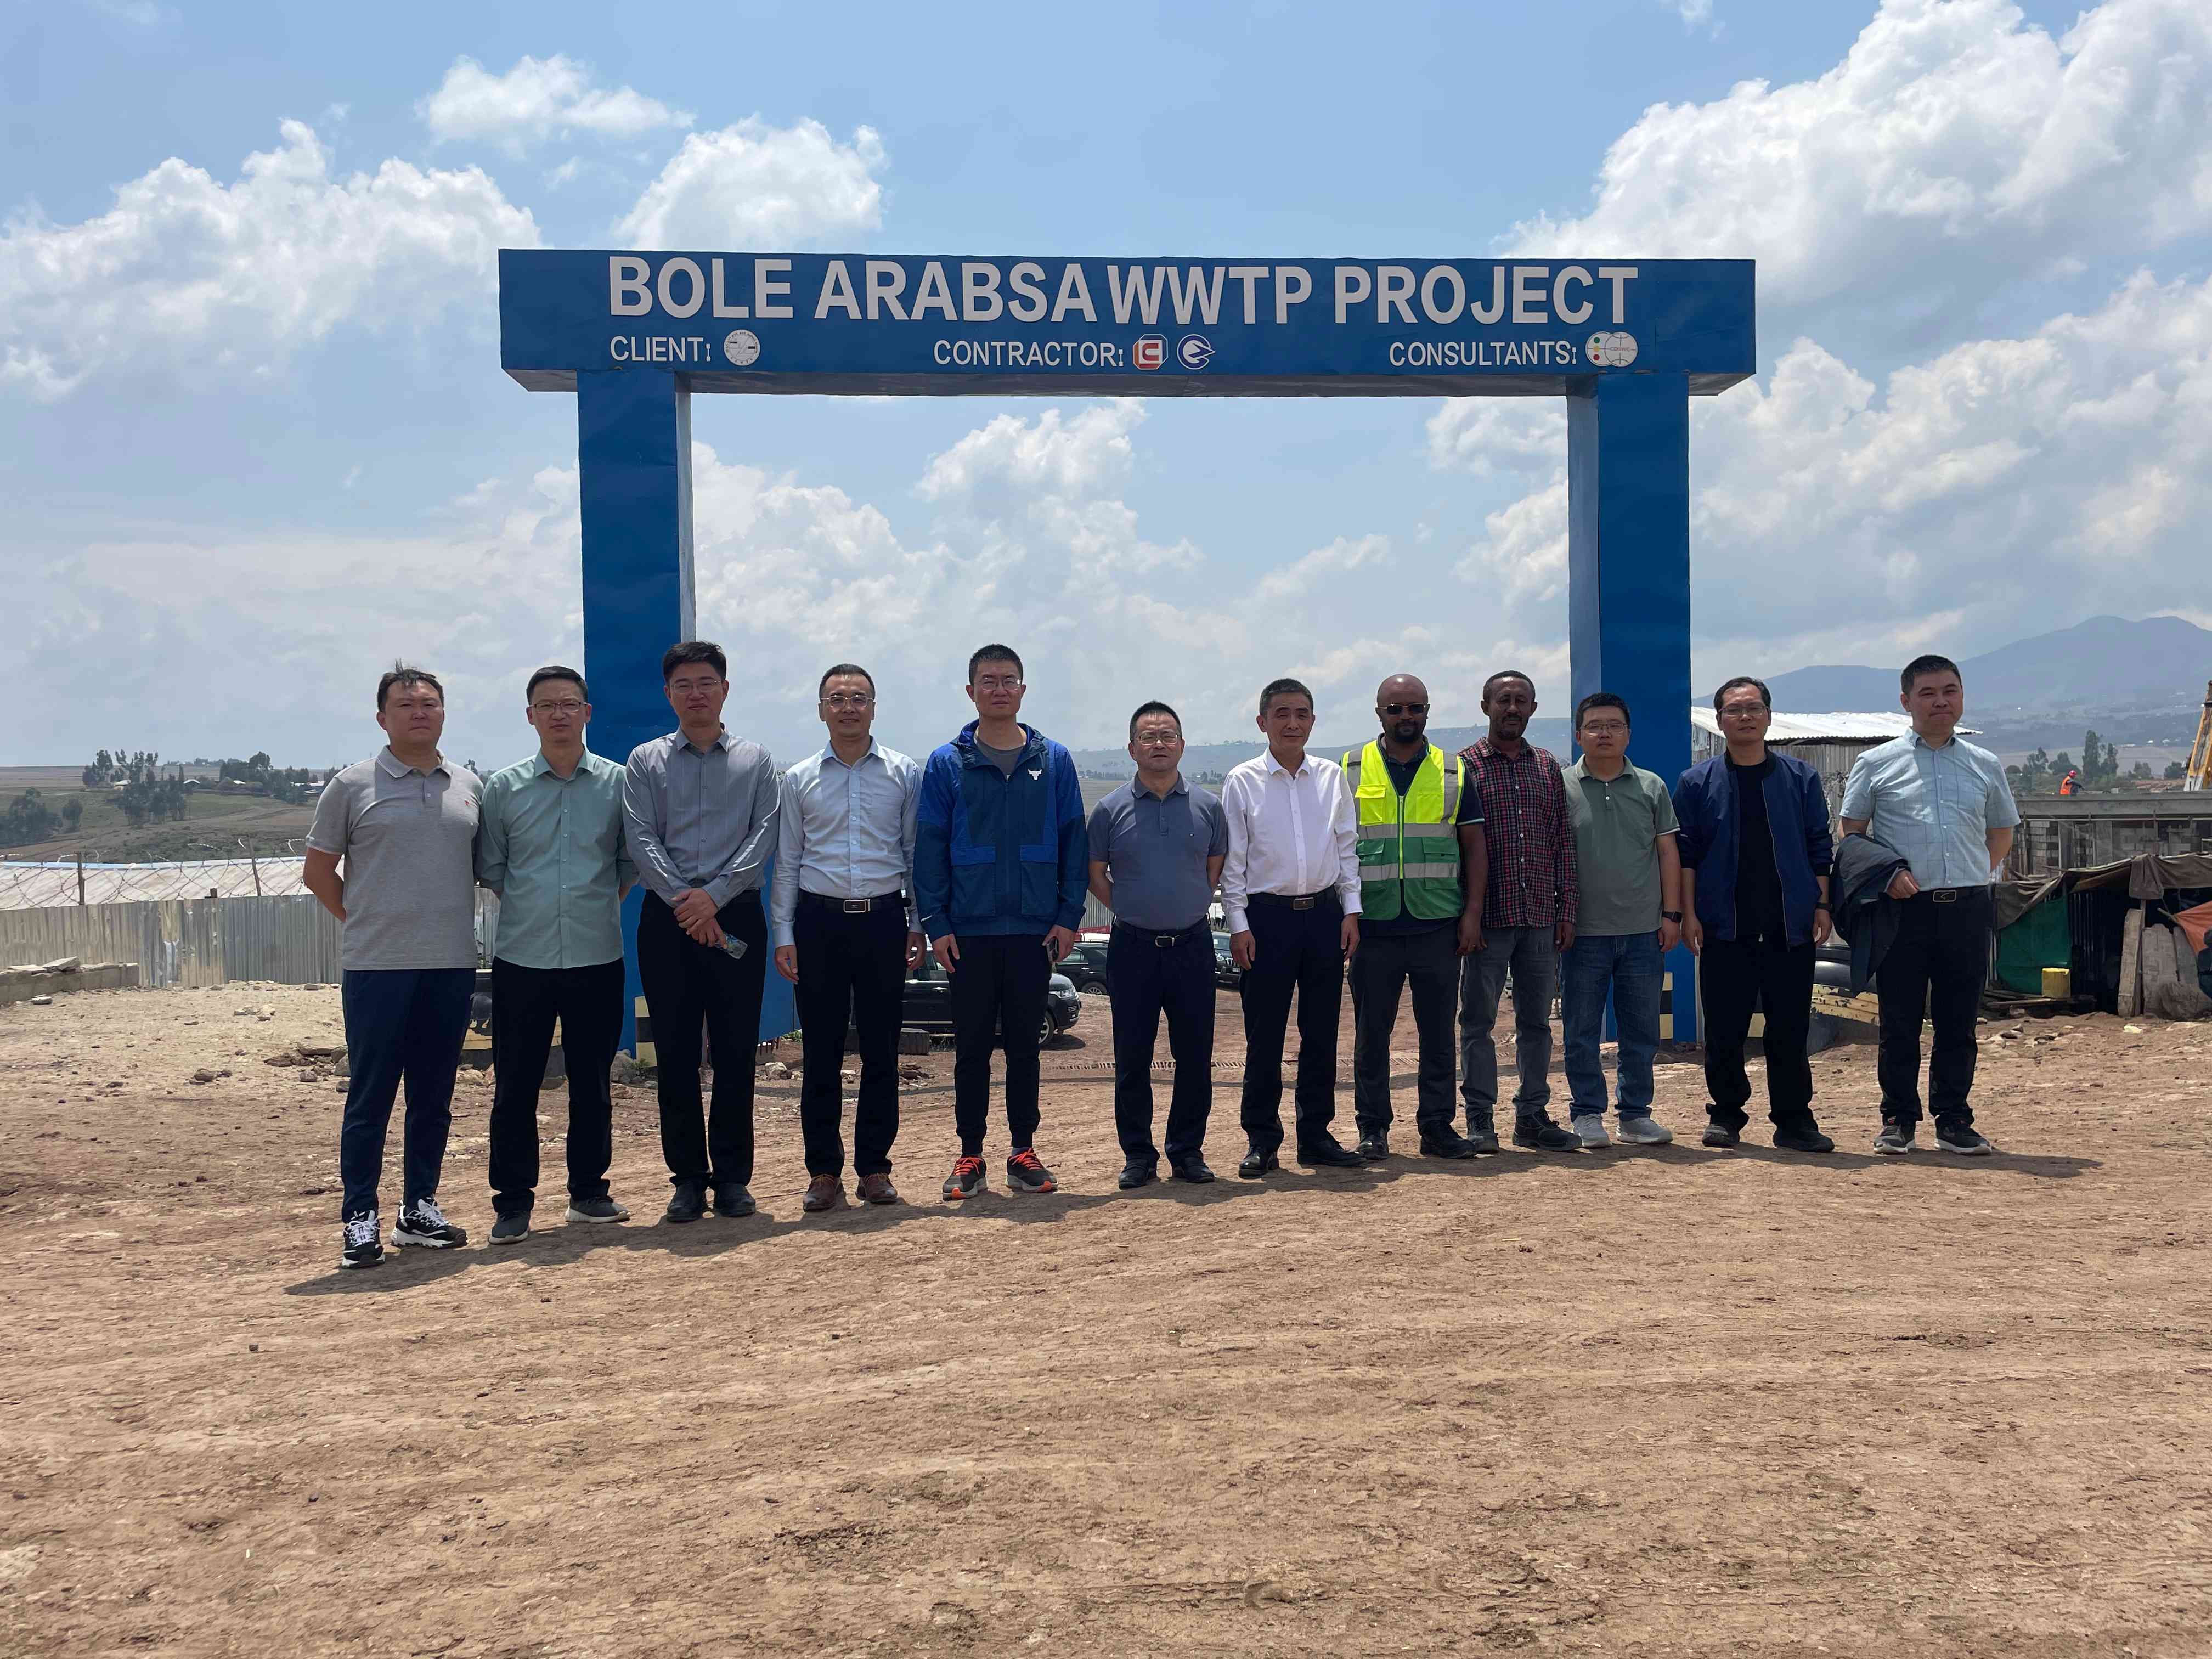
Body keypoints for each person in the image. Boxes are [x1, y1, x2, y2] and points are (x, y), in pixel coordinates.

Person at [302, 665, 480, 1269]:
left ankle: (418, 1209)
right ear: (383, 718)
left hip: (451, 964)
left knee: (434, 1094)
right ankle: (359, 1218)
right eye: (406, 704)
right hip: (378, 968)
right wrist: (364, 921)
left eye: (430, 703)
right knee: (371, 1097)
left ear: (444, 713)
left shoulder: (469, 786)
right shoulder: (352, 786)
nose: (419, 712)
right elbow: (318, 872)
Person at [913, 644, 1087, 1200]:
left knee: (1024, 1049)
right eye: (988, 681)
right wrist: (937, 922)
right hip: (969, 933)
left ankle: (1022, 1152)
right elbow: (930, 847)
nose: (999, 689)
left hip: (1035, 932)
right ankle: (970, 1155)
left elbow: (1074, 842)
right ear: (971, 692)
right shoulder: (947, 763)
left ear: (1023, 690)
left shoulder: (1053, 761)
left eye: (1009, 680)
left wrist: (1068, 916)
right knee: (969, 1050)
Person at [474, 665, 638, 1244]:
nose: (559, 714)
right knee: (515, 1085)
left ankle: (588, 1193)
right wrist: (542, 907)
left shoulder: (619, 784)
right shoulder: (504, 788)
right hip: (523, 958)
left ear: (587, 713)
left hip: (597, 955)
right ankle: (513, 1202)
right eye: (547, 705)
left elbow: (628, 863)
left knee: (592, 1082)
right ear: (530, 716)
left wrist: (587, 906)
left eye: (570, 703)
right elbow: (494, 868)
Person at [623, 641, 781, 1222]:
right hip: (667, 920)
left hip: (736, 914)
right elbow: (640, 838)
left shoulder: (757, 761)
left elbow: (764, 835)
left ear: (725, 689)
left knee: (737, 1052)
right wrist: (688, 903)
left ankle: (733, 1179)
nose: (696, 694)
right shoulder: (645, 762)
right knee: (676, 1053)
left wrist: (713, 897)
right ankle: (688, 1178)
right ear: (669, 694)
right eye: (684, 685)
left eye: (706, 682)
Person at [1839, 654, 2019, 1156]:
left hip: (1967, 909)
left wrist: (1971, 874)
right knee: (1898, 1021)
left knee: (1958, 1021)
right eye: (1928, 693)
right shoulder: (1876, 763)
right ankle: (1898, 1119)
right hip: (1903, 910)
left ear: (1962, 696)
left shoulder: (1985, 764)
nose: (1941, 701)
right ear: (1906, 701)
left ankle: (1954, 1119)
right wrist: (1887, 875)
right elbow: (1852, 834)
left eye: (1950, 691)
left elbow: (2001, 832)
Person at [771, 663, 923, 1212]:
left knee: (882, 1050)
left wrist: (917, 923)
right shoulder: (799, 779)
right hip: (819, 923)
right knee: (821, 1052)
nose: (848, 707)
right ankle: (824, 1172)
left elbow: (914, 854)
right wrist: (784, 932)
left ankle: (875, 1168)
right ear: (821, 710)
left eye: (859, 697)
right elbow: (788, 860)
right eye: (837, 698)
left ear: (874, 708)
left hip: (883, 920)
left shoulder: (903, 773)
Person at [1672, 676, 1837, 1154]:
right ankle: (1726, 1115)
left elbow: (1819, 845)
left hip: (1790, 924)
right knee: (1725, 1029)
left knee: (1790, 1028)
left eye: (1753, 708)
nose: (1745, 717)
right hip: (1724, 925)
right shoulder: (1696, 782)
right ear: (1719, 720)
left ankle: (1794, 1121)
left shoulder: (1800, 778)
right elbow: (1687, 855)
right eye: (1734, 710)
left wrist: (1822, 904)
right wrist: (1688, 914)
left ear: (1768, 715)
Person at [1220, 678, 1364, 1177]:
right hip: (1266, 920)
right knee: (1265, 1036)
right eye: (1282, 713)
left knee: (1321, 1033)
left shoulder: (1331, 776)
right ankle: (1262, 1139)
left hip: (1324, 917)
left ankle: (1316, 1136)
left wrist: (1351, 911)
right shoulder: (1242, 781)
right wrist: (1238, 924)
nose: (1292, 723)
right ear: (1263, 722)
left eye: (1302, 714)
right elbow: (1234, 862)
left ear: (1313, 721)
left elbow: (1346, 848)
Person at [1343, 673, 1488, 1161]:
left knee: (1438, 1035)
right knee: (1372, 1036)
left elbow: (1474, 848)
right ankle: (1372, 1128)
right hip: (1373, 927)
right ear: (1379, 713)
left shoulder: (1454, 771)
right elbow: (1335, 848)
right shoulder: (1349, 769)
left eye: (1415, 708)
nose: (1406, 717)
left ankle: (1437, 1127)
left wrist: (1472, 914)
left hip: (1437, 925)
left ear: (1427, 712)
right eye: (1396, 709)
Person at [1087, 701, 1229, 1188]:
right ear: (1132, 749)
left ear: (1182, 746)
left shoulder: (1209, 806)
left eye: (1168, 735)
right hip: (1133, 948)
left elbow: (1214, 868)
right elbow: (1096, 874)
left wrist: (1184, 903)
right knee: (1132, 1058)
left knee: (1195, 1056)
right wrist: (1131, 906)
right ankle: (1138, 1156)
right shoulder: (1109, 810)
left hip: (1192, 945)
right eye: (1148, 737)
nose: (1159, 744)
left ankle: (1187, 1152)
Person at [1455, 673, 1582, 1153]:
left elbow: (1561, 840)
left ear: (1533, 709)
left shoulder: (1547, 767)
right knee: (1478, 1022)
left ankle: (1531, 1116)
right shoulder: (1463, 767)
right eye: (1503, 700)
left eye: (1521, 701)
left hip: (1539, 917)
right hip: (1486, 919)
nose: (1512, 708)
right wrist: (1466, 914)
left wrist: (1567, 908)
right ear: (1485, 705)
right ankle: (1480, 1117)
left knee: (1537, 1023)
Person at [1558, 693, 1684, 1147]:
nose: (1604, 733)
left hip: (1643, 931)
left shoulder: (1652, 786)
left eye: (1614, 725)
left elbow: (1668, 852)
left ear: (1628, 734)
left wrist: (1672, 914)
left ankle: (1634, 1115)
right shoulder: (1562, 787)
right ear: (1579, 735)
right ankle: (1587, 1113)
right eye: (1594, 726)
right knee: (1581, 1031)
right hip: (1582, 933)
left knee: (1642, 1031)